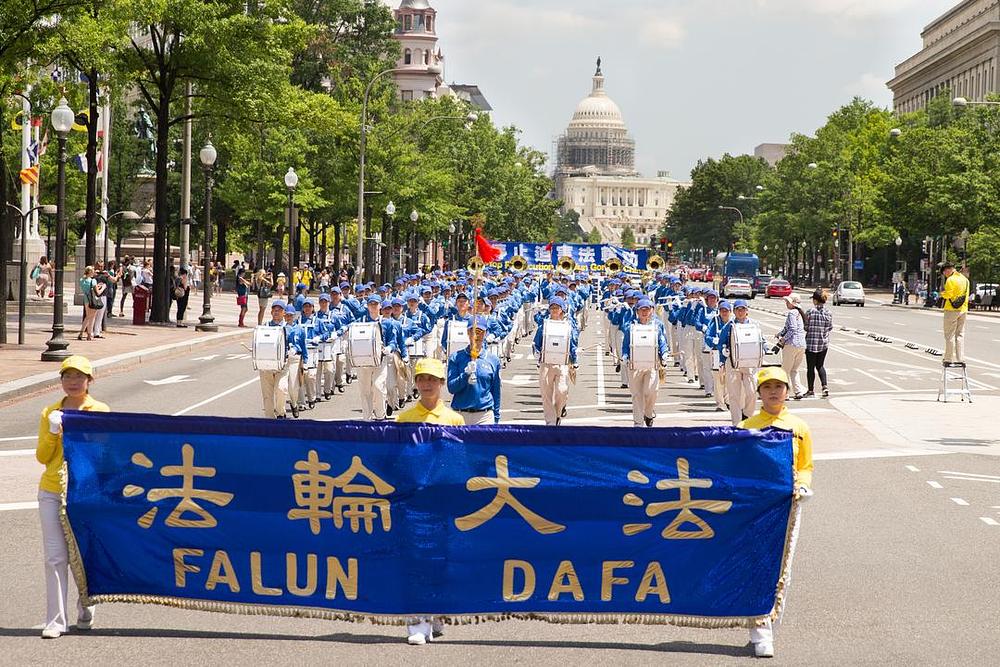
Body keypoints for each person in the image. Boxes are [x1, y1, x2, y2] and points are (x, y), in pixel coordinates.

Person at [739, 366, 814, 659]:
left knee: (784, 569)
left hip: (788, 504)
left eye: (779, 386)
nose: (773, 391)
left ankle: (770, 623)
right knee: (758, 566)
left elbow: (806, 465)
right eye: (767, 387)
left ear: (786, 391)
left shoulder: (799, 427)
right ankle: (760, 632)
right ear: (758, 392)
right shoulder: (747, 428)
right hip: (756, 507)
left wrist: (804, 486)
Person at [36, 355, 110, 638]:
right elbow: (43, 456)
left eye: (79, 377)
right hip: (53, 489)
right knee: (55, 557)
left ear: (90, 381)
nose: (73, 382)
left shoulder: (100, 410)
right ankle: (55, 620)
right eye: (68, 376)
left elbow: (103, 454)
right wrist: (54, 431)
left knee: (84, 553)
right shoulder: (49, 412)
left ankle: (85, 605)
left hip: (86, 493)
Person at [394, 356, 463, 644]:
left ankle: (434, 614)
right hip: (413, 499)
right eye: (421, 379)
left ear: (441, 384)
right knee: (414, 559)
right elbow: (395, 459)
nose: (426, 384)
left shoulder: (454, 420)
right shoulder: (405, 419)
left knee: (439, 558)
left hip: (442, 500)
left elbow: (460, 463)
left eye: (432, 379)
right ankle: (416, 625)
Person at [621, 297, 669, 427]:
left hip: (651, 364)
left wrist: (664, 354)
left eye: (647, 309)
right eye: (641, 310)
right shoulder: (630, 326)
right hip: (635, 365)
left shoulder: (657, 325)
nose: (644, 312)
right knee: (636, 394)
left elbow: (662, 342)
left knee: (651, 391)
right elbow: (625, 345)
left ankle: (648, 413)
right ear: (637, 311)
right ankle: (638, 423)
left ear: (652, 311)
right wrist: (624, 356)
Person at [447, 316, 502, 425]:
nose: (476, 336)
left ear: (485, 333)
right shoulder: (456, 357)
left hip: (484, 415)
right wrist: (465, 375)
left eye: (480, 332)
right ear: (467, 332)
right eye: (473, 331)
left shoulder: (493, 360)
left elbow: (496, 391)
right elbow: (451, 388)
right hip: (460, 414)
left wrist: (496, 417)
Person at [532, 296, 578, 426]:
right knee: (546, 393)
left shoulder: (567, 326)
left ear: (562, 310)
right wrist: (537, 355)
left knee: (562, 390)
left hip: (562, 362)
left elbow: (572, 344)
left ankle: (558, 413)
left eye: (556, 308)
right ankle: (550, 421)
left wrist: (575, 361)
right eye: (552, 308)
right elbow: (536, 343)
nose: (554, 310)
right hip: (546, 362)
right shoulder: (544, 325)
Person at [776, 294, 807, 399]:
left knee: (785, 370)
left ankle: (785, 393)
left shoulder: (791, 313)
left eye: (787, 302)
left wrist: (783, 339)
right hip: (802, 345)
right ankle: (798, 391)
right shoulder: (800, 313)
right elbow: (789, 328)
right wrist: (779, 333)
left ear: (792, 303)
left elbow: (792, 329)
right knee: (794, 369)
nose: (786, 303)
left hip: (791, 345)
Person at [804, 289, 833, 398]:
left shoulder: (810, 312)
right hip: (823, 343)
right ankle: (824, 386)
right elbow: (830, 328)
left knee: (810, 367)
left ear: (815, 300)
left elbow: (805, 327)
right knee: (820, 365)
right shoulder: (828, 313)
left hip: (811, 343)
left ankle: (811, 390)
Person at [939, 262, 970, 366]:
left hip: (951, 310)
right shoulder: (965, 280)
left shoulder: (950, 280)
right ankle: (960, 358)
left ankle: (948, 358)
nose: (945, 275)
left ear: (947, 270)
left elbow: (949, 294)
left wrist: (942, 294)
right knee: (960, 334)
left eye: (944, 273)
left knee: (949, 334)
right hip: (963, 309)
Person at [77, 266, 102, 341]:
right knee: (92, 317)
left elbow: (88, 288)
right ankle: (89, 334)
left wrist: (96, 286)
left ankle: (81, 332)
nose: (94, 272)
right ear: (90, 272)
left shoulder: (82, 280)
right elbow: (97, 292)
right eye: (93, 271)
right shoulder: (93, 280)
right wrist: (103, 287)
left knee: (88, 316)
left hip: (86, 299)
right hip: (93, 300)